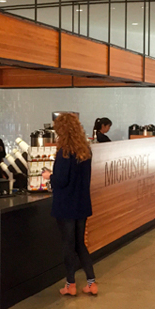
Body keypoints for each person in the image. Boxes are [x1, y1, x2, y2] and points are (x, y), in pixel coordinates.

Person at [41, 113, 97, 296]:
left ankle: (70, 284)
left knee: (68, 244)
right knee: (80, 243)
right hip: (82, 203)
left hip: (65, 204)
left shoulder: (64, 152)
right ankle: (91, 282)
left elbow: (62, 180)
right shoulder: (86, 151)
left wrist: (49, 176)